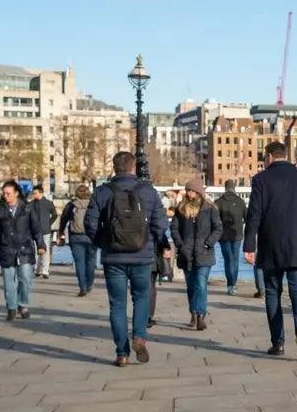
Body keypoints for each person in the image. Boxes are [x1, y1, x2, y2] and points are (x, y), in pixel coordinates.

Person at [85, 151, 168, 367]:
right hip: (142, 256)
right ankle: (139, 336)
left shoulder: (102, 192)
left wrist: (104, 243)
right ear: (133, 168)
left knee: (117, 304)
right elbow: (161, 224)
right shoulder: (148, 191)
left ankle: (122, 353)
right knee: (141, 298)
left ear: (114, 168)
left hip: (114, 257)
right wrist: (150, 242)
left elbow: (90, 224)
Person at [244, 141, 297, 360]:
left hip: (271, 246)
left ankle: (277, 343)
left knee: (272, 292)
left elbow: (254, 214)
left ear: (269, 156)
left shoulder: (260, 179)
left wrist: (249, 246)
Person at [0, 180, 47, 321]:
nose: (6, 196)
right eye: (4, 193)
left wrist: (41, 245)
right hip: (6, 249)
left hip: (24, 249)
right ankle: (11, 307)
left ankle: (22, 305)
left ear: (16, 193)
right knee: (8, 282)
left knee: (25, 278)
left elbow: (36, 229)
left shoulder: (27, 208)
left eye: (9, 193)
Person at [170, 177, 222, 330]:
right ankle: (193, 312)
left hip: (204, 252)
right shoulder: (181, 208)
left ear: (198, 192)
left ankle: (200, 315)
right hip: (186, 253)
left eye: (191, 190)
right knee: (191, 285)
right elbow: (174, 228)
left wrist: (208, 243)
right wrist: (180, 244)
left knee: (201, 284)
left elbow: (218, 228)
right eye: (187, 190)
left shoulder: (210, 209)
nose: (188, 193)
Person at [57, 184, 97, 296]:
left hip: (76, 237)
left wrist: (61, 232)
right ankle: (89, 283)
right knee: (91, 261)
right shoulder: (93, 204)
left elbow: (64, 219)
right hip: (92, 237)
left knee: (79, 262)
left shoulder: (71, 205)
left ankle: (82, 287)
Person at [214, 178, 247, 294]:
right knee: (235, 259)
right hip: (237, 234)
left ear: (225, 188)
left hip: (223, 235)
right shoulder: (241, 202)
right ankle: (234, 283)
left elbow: (213, 219)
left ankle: (230, 284)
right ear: (234, 188)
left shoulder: (218, 202)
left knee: (228, 259)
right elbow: (247, 218)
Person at [28, 186, 58, 279]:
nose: (34, 195)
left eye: (35, 193)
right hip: (35, 230)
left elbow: (55, 214)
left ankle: (45, 270)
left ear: (41, 193)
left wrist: (49, 223)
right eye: (33, 193)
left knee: (45, 250)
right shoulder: (31, 204)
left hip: (45, 230)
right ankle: (37, 270)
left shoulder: (48, 203)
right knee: (36, 250)